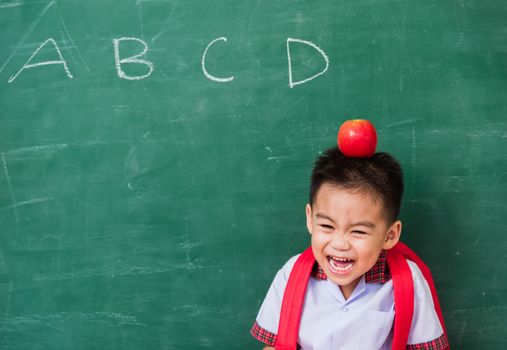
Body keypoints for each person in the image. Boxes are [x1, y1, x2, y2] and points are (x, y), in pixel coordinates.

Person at [250, 147, 449, 349]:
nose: (340, 244)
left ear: (390, 236)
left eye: (358, 232)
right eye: (327, 226)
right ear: (310, 219)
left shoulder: (407, 281)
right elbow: (274, 346)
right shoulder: (291, 275)